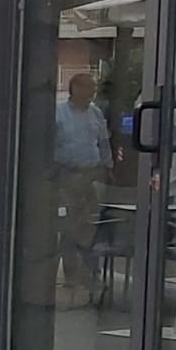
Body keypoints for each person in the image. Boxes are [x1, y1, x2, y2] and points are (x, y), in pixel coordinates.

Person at [51, 71, 111, 287]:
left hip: (91, 176)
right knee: (69, 227)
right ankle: (71, 273)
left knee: (91, 226)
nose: (91, 91)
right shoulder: (58, 113)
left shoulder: (95, 114)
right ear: (75, 88)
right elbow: (49, 145)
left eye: (93, 88)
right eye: (87, 87)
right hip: (67, 175)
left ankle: (92, 271)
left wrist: (107, 167)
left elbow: (104, 143)